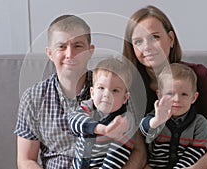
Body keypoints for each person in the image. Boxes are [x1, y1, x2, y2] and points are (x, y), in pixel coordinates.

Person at [14, 14, 145, 169]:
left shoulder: (113, 88)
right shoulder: (33, 98)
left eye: (78, 46)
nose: (70, 54)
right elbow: (26, 160)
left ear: (90, 51)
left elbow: (139, 152)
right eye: (61, 46)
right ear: (50, 53)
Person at [123, 5, 207, 169]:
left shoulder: (199, 76)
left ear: (170, 39)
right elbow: (135, 144)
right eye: (138, 41)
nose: (147, 47)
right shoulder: (128, 86)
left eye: (155, 37)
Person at [68, 57, 136, 169]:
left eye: (115, 90)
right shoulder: (87, 107)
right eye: (101, 88)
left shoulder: (124, 121)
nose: (106, 95)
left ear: (125, 98)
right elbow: (74, 120)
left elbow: (116, 157)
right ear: (92, 92)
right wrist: (102, 129)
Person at [139, 63, 207, 168]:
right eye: (170, 94)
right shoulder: (156, 116)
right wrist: (156, 121)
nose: (176, 99)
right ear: (159, 95)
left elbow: (196, 151)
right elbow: (143, 131)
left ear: (194, 98)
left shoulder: (199, 123)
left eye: (184, 94)